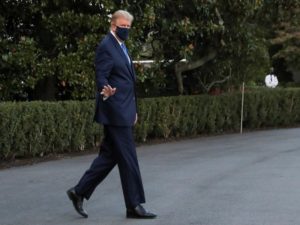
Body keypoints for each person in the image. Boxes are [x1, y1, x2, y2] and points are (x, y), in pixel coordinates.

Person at [66, 10, 156, 219]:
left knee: (110, 156)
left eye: (128, 27)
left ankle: (78, 192)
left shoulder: (121, 46)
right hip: (115, 112)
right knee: (129, 158)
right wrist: (105, 89)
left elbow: (127, 82)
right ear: (113, 25)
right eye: (123, 26)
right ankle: (134, 205)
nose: (126, 30)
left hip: (124, 111)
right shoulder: (106, 46)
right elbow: (101, 76)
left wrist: (133, 111)